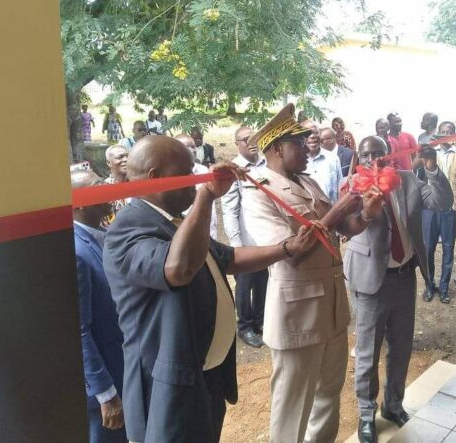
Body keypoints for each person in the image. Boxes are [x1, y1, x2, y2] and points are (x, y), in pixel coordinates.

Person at [103, 135, 318, 443]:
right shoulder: (128, 227)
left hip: (204, 377)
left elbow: (227, 258)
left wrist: (287, 248)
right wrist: (205, 198)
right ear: (155, 177)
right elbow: (177, 270)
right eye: (187, 172)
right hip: (168, 388)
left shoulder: (174, 221)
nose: (196, 178)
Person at [241, 103, 384, 443]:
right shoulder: (258, 191)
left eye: (308, 141)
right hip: (297, 315)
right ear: (277, 148)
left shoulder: (308, 182)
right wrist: (338, 210)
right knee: (293, 406)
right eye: (299, 143)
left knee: (327, 397)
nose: (308, 148)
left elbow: (342, 228)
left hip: (332, 309)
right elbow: (290, 250)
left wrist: (364, 214)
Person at [344, 137, 453, 443]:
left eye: (378, 153)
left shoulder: (407, 180)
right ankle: (367, 415)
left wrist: (431, 168)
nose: (373, 159)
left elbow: (441, 202)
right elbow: (346, 223)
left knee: (401, 348)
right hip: (370, 282)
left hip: (405, 278)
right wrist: (364, 205)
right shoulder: (351, 186)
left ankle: (393, 405)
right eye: (366, 155)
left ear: (389, 155)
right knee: (367, 353)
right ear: (359, 158)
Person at [72, 169, 127, 443]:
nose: (106, 187)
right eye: (97, 186)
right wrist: (105, 392)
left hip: (123, 369)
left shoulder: (100, 234)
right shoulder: (76, 253)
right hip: (106, 386)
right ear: (79, 202)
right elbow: (78, 330)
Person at [221, 126, 268, 349]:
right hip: (246, 242)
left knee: (263, 283)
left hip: (266, 240)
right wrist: (236, 245)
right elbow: (230, 210)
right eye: (246, 139)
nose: (252, 142)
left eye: (254, 138)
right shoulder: (234, 169)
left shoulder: (266, 164)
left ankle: (260, 323)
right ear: (237, 144)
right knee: (244, 287)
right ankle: (245, 327)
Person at [423, 121, 456, 304]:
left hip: (449, 209)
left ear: (455, 135)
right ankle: (429, 286)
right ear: (438, 134)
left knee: (448, 248)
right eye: (443, 132)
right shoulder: (431, 152)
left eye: (450, 132)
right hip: (430, 208)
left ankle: (444, 288)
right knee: (428, 249)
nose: (446, 135)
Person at [174, 133, 219, 239]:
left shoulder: (204, 170)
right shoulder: (171, 174)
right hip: (185, 235)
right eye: (187, 147)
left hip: (210, 232)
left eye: (193, 146)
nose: (192, 150)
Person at [304, 126, 344, 203]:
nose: (312, 136)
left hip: (332, 211)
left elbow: (341, 189)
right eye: (307, 133)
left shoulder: (333, 158)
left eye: (315, 132)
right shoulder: (296, 161)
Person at [102, 145, 129, 226]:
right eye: (120, 157)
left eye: (128, 156)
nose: (126, 159)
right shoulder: (104, 189)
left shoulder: (138, 184)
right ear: (109, 163)